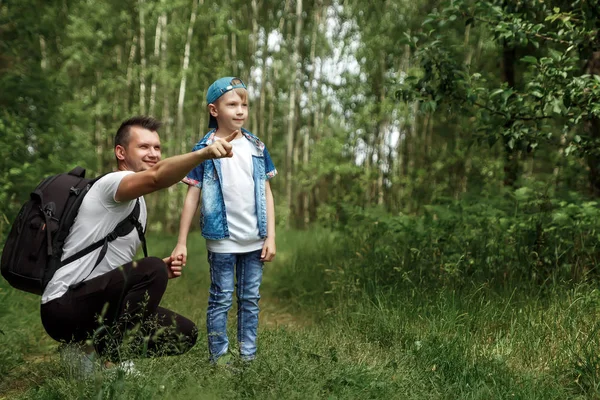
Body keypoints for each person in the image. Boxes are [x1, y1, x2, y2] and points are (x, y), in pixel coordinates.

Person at [40, 116, 237, 370]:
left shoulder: (138, 203)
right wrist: (203, 154)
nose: (153, 153)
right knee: (152, 268)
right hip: (63, 305)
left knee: (183, 333)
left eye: (157, 147)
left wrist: (146, 275)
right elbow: (156, 177)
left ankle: (87, 349)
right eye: (144, 147)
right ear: (121, 152)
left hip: (93, 301)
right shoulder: (112, 184)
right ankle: (108, 359)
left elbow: (111, 268)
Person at [171, 77, 277, 364]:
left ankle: (248, 357)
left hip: (255, 238)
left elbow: (267, 192)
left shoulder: (257, 146)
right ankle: (219, 360)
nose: (240, 110)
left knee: (250, 300)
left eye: (244, 104)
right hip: (222, 240)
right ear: (214, 110)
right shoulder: (204, 149)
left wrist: (271, 237)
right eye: (232, 104)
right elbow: (192, 196)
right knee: (221, 299)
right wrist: (181, 242)